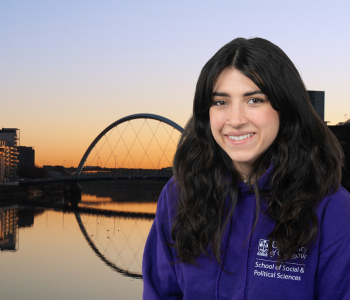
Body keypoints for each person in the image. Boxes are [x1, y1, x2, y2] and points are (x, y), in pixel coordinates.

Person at [142, 37, 350, 299]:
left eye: (254, 100)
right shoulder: (178, 195)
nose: (236, 120)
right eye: (221, 102)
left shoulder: (332, 208)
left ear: (285, 108)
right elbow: (160, 293)